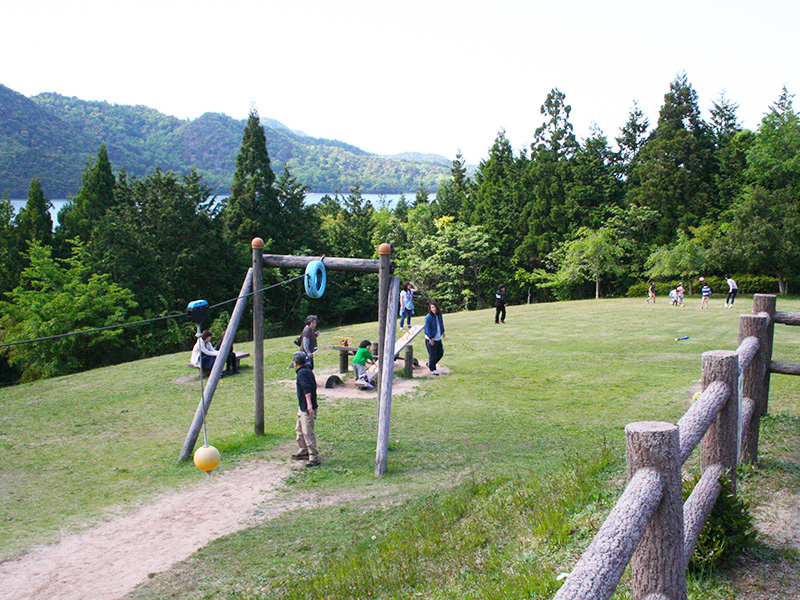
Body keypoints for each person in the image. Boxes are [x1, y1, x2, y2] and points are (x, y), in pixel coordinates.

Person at [291, 351, 320, 467]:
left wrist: (309, 405)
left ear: (295, 363)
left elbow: (307, 389)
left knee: (308, 432)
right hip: (303, 407)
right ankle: (303, 450)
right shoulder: (308, 371)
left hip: (307, 408)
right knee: (299, 429)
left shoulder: (301, 374)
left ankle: (314, 457)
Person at [424, 300, 445, 376]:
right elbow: (427, 328)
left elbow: (441, 323)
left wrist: (442, 331)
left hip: (438, 338)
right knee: (432, 355)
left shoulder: (439, 315)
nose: (434, 309)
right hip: (431, 339)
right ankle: (433, 369)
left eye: (434, 307)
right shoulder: (428, 317)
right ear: (430, 308)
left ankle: (430, 364)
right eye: (432, 307)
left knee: (440, 353)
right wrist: (430, 338)